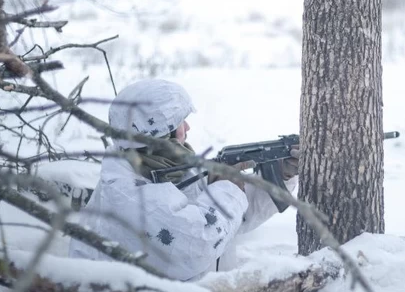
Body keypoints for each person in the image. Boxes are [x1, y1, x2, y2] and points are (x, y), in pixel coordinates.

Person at [68, 79, 297, 281]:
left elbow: (234, 218)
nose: (187, 128)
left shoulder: (170, 167)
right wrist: (226, 187)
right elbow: (200, 242)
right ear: (159, 133)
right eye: (180, 123)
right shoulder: (129, 195)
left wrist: (280, 171)